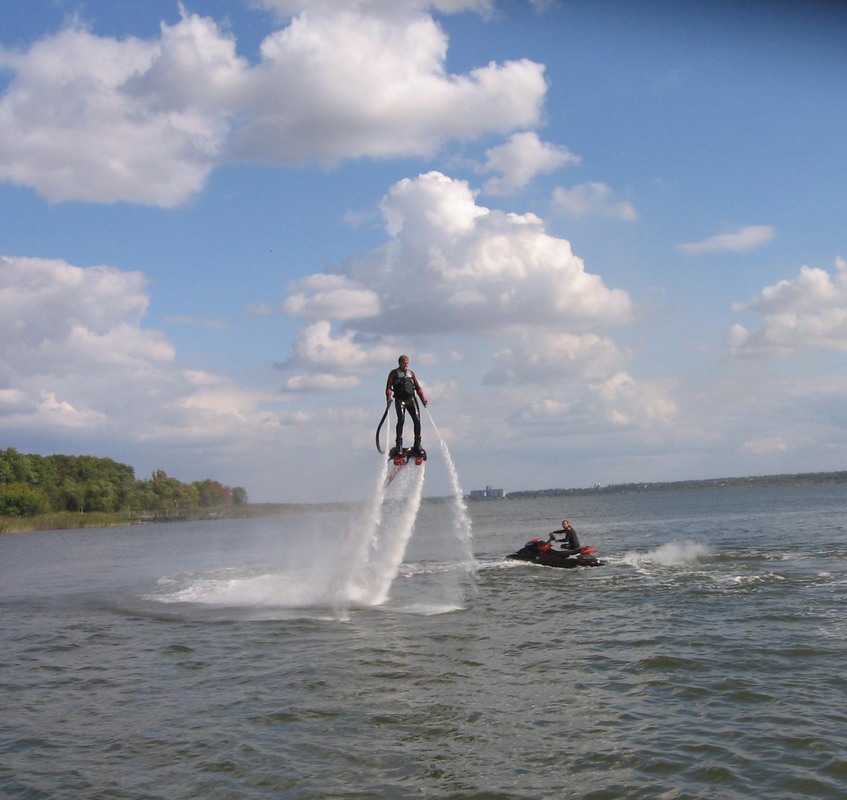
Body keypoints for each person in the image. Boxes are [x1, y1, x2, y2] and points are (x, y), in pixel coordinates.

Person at [385, 354, 428, 457]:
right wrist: (389, 397)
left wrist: (423, 399)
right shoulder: (394, 373)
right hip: (400, 400)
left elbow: (418, 387)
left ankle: (417, 444)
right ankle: (399, 446)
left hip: (411, 399)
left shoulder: (411, 373)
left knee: (417, 420)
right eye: (404, 363)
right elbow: (388, 388)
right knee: (401, 420)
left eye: (407, 363)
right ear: (400, 363)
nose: (406, 364)